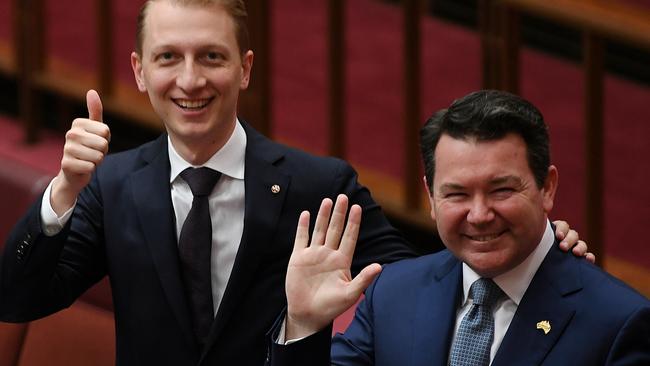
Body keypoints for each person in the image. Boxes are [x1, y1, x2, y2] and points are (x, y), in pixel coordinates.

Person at [0, 1, 587, 364]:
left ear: (245, 67)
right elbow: (19, 298)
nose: (189, 80)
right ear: (139, 71)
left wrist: (530, 250)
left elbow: (421, 280)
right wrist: (62, 196)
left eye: (211, 56)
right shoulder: (117, 185)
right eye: (167, 58)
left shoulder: (316, 183)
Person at [269, 90, 650, 365]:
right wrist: (303, 325)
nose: (480, 214)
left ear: (547, 187)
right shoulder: (394, 293)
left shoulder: (618, 322)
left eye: (501, 190)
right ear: (431, 198)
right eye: (457, 194)